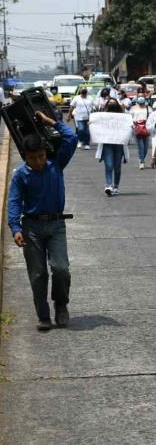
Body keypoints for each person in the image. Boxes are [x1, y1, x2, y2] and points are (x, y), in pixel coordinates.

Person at [7, 112, 77, 331]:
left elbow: (71, 138)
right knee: (37, 274)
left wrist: (51, 122)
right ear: (25, 156)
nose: (37, 161)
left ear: (45, 153)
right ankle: (43, 315)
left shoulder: (56, 164)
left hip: (56, 225)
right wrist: (15, 228)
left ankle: (61, 304)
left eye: (40, 156)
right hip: (32, 228)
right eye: (32, 158)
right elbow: (14, 203)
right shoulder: (21, 175)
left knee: (61, 268)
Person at [96, 98, 129, 196]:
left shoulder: (123, 116)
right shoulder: (102, 116)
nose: (111, 104)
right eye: (109, 103)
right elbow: (97, 126)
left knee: (117, 167)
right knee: (109, 165)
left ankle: (115, 186)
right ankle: (108, 185)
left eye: (113, 103)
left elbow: (127, 126)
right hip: (107, 143)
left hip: (119, 143)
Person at [130, 94, 151, 169]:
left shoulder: (148, 108)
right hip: (137, 127)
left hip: (146, 128)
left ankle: (142, 158)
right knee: (140, 146)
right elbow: (130, 118)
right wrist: (133, 123)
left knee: (145, 147)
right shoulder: (133, 108)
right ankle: (141, 161)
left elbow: (151, 118)